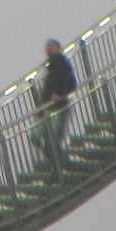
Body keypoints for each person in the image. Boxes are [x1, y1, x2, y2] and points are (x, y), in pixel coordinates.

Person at [33, 38, 76, 172]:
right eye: (47, 47)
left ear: (57, 48)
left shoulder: (62, 63)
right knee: (35, 137)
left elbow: (71, 84)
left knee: (53, 142)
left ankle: (58, 166)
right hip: (46, 109)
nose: (48, 49)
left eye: (51, 46)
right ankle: (57, 161)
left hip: (58, 108)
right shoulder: (50, 66)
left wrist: (60, 95)